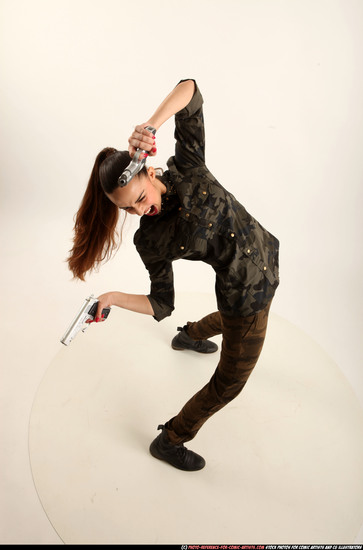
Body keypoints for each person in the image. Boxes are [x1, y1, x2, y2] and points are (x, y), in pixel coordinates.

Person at [67, 79, 280, 472]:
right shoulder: (151, 241)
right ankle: (171, 439)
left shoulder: (188, 163)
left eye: (140, 198)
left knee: (241, 327)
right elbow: (160, 301)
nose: (139, 211)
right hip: (242, 294)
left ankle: (190, 334)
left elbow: (191, 91)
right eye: (128, 210)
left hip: (266, 253)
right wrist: (112, 297)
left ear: (148, 171)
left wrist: (149, 126)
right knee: (230, 382)